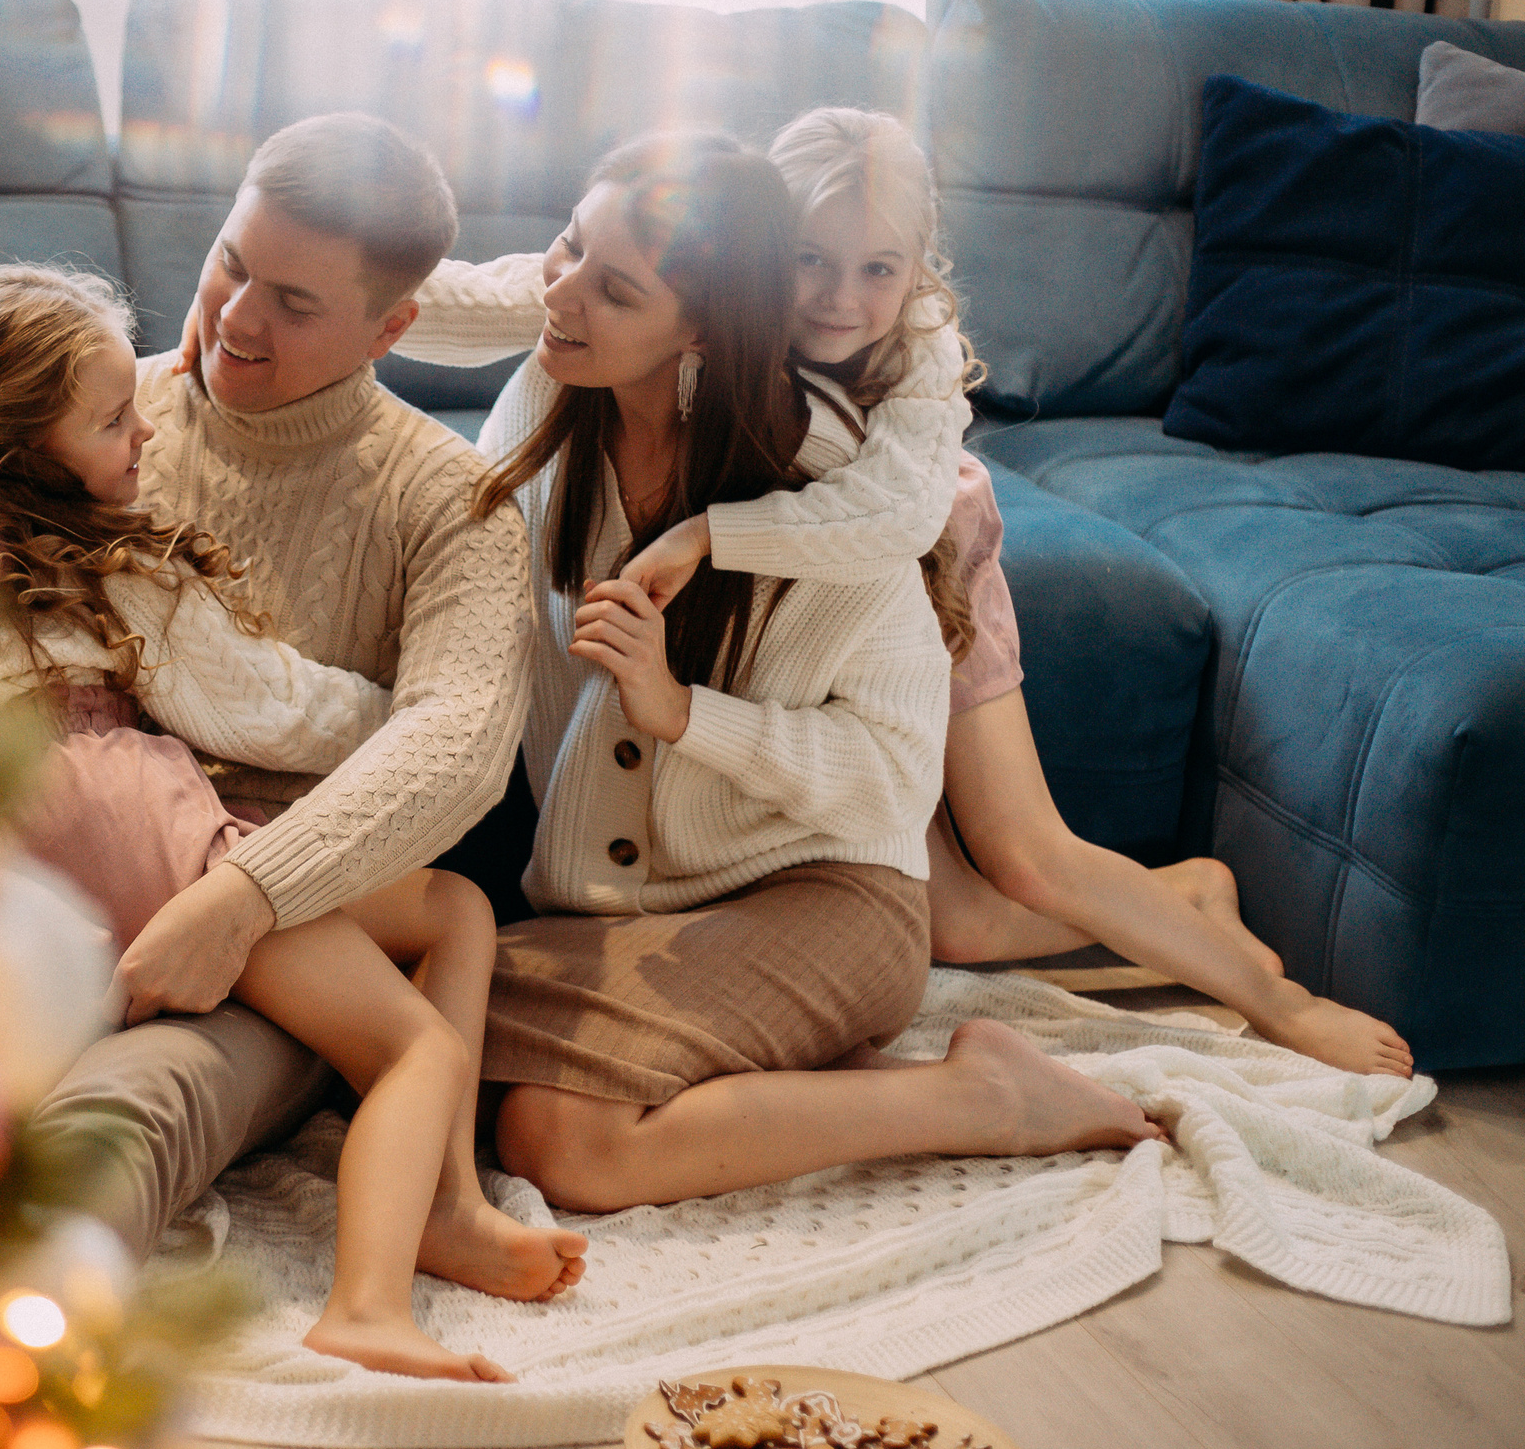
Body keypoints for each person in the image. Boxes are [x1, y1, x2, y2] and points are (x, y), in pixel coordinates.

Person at [401, 107, 1410, 1077]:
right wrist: (329, 297)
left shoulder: (912, 363)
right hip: (795, 578)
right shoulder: (675, 290)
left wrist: (707, 535)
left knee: (1022, 856)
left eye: (878, 269)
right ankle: (1182, 895)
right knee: (953, 918)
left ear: (915, 270)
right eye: (809, 263)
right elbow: (514, 295)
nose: (838, 299)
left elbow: (887, 517)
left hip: (920, 551)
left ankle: (1276, 1000)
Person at [449, 130, 1164, 1213]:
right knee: (425, 1048)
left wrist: (686, 714)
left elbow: (889, 776)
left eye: (614, 287)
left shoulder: (822, 498)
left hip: (830, 900)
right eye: (566, 246)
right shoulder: (546, 407)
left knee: (554, 1135)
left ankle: (980, 1100)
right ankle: (817, 1080)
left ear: (697, 326)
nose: (560, 293)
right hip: (624, 909)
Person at [0, 264, 580, 1377]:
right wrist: (402, 718)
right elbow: (272, 705)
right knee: (413, 1045)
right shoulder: (116, 566)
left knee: (459, 913)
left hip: (23, 817)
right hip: (121, 810)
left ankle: (454, 1204)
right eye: (108, 419)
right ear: (27, 452)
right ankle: (369, 1305)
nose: (143, 427)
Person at [21, 113, 536, 1277]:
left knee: (126, 1116)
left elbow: (459, 744)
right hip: (57, 855)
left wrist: (245, 898)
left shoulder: (450, 502)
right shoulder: (105, 420)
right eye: (230, 263)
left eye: (295, 304)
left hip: (282, 917)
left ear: (391, 326)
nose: (236, 318)